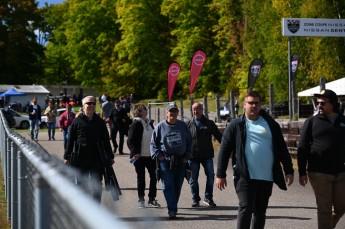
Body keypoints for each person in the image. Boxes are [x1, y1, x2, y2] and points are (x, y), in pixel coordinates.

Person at [216, 91, 294, 229]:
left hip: (266, 176)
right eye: (250, 103)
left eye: (256, 103)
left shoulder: (271, 124)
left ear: (260, 105)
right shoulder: (236, 125)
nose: (253, 106)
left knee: (260, 211)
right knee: (246, 207)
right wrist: (220, 174)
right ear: (244, 105)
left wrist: (289, 170)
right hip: (244, 175)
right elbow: (224, 150)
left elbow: (282, 148)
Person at [297, 89, 345, 229]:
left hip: (341, 172)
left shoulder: (343, 120)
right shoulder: (311, 122)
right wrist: (301, 171)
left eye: (323, 103)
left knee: (342, 206)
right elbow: (303, 147)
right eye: (318, 103)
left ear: (333, 104)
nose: (319, 106)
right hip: (319, 172)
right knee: (324, 209)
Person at [63, 96, 114, 203]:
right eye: (88, 103)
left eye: (93, 103)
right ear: (83, 106)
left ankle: (96, 208)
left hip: (97, 158)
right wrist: (67, 156)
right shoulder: (77, 122)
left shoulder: (100, 122)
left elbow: (106, 140)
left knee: (97, 184)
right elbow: (70, 140)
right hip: (81, 158)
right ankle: (84, 207)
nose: (91, 106)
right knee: (81, 184)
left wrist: (110, 156)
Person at [150, 103, 192, 219]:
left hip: (180, 160)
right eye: (171, 112)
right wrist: (159, 156)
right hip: (165, 160)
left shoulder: (183, 126)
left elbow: (189, 142)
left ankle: (173, 205)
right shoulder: (160, 127)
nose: (173, 114)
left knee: (177, 185)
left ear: (178, 113)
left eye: (175, 112)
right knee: (167, 185)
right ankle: (172, 209)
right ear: (167, 113)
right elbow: (153, 144)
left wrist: (187, 157)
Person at [186, 102, 222, 208]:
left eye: (198, 109)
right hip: (192, 156)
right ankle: (195, 199)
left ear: (202, 110)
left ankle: (208, 197)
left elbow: (220, 137)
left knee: (211, 176)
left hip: (207, 155)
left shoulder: (209, 123)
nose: (195, 111)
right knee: (193, 179)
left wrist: (228, 149)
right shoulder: (187, 124)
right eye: (193, 109)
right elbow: (183, 140)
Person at [127, 103, 160, 208]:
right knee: (141, 178)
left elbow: (155, 138)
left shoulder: (149, 123)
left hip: (151, 156)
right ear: (139, 111)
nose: (147, 110)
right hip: (139, 157)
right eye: (144, 109)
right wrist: (135, 152)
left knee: (154, 177)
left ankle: (152, 199)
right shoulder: (136, 124)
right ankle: (141, 200)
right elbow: (130, 141)